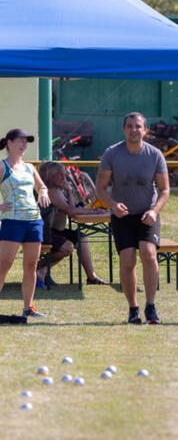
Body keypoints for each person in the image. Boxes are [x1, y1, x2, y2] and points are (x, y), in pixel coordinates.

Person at [96, 112, 169, 324]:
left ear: (145, 130)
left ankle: (151, 306)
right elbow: (100, 188)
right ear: (123, 129)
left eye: (138, 126)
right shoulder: (112, 153)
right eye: (129, 126)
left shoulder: (155, 155)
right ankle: (133, 308)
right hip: (122, 216)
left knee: (149, 254)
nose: (133, 130)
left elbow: (165, 190)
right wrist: (112, 205)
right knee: (127, 260)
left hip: (147, 214)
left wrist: (154, 211)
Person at [0, 128, 51, 317]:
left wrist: (44, 191)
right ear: (9, 143)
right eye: (20, 141)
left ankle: (28, 308)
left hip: (34, 221)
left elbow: (41, 186)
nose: (24, 145)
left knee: (31, 265)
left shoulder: (30, 167)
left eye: (26, 142)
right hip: (12, 222)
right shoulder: (2, 167)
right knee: (4, 265)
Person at [36, 162, 108, 287]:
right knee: (67, 247)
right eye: (59, 175)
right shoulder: (47, 188)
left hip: (52, 228)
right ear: (48, 176)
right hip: (41, 229)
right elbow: (70, 210)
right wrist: (93, 211)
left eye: (64, 175)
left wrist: (69, 191)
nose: (64, 179)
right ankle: (38, 268)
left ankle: (92, 277)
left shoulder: (58, 188)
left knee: (81, 237)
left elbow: (72, 208)